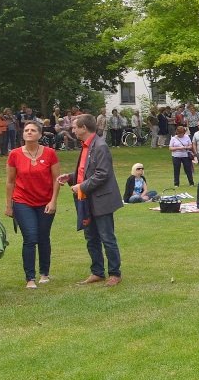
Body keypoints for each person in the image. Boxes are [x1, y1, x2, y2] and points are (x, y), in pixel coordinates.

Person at [58, 114, 124, 287]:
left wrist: (81, 187)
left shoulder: (100, 146)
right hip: (86, 200)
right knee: (91, 238)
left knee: (106, 237)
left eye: (74, 127)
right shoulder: (86, 145)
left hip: (101, 200)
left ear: (83, 128)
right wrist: (71, 177)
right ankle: (97, 272)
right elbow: (85, 171)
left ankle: (115, 273)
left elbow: (102, 174)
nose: (72, 130)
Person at [5, 120, 61, 289]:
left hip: (45, 201)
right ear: (23, 134)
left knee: (43, 237)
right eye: (26, 130)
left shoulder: (50, 153)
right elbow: (10, 182)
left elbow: (56, 180)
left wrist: (53, 201)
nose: (29, 132)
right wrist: (9, 205)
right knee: (30, 238)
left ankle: (44, 273)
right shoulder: (14, 154)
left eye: (33, 130)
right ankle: (30, 278)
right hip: (22, 201)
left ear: (40, 134)